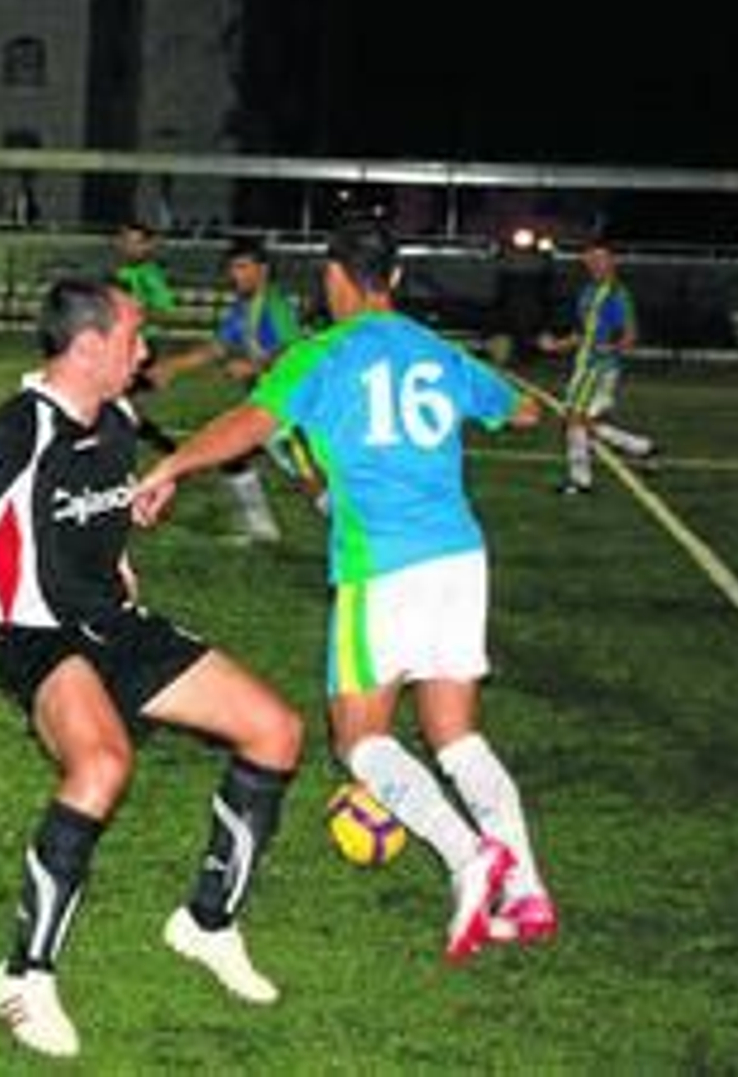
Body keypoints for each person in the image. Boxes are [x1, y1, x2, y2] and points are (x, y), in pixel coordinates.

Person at [0, 278, 302, 1059]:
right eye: (133, 339)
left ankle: (207, 925)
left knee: (275, 731)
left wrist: (132, 524)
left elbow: (99, 508)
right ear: (86, 348)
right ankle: (23, 975)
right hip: (35, 636)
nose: (145, 353)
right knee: (101, 766)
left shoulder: (116, 417)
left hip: (114, 624)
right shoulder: (14, 431)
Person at [135, 223, 556, 965]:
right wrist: (508, 392)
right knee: (457, 736)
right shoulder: (435, 350)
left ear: (337, 278)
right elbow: (520, 412)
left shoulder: (322, 355)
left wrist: (171, 467)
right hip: (459, 557)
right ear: (390, 276)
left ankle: (468, 856)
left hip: (382, 566)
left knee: (360, 740)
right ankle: (525, 888)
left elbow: (248, 422)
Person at [151, 236, 322, 541]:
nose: (235, 275)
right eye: (232, 268)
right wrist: (172, 366)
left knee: (312, 480)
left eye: (243, 267)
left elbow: (295, 352)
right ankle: (262, 530)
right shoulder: (244, 308)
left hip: (291, 408)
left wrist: (254, 367)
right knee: (233, 458)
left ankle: (358, 534)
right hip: (268, 406)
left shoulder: (274, 305)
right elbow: (216, 348)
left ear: (264, 270)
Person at [537, 236, 657, 494]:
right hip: (585, 365)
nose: (595, 264)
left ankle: (580, 480)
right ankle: (642, 447)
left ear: (612, 261)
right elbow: (582, 333)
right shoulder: (588, 292)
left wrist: (611, 349)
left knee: (574, 419)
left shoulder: (617, 294)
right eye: (590, 260)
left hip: (597, 366)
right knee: (583, 421)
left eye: (601, 259)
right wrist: (556, 345)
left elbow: (630, 336)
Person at [111, 221, 179, 455]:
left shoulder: (151, 274)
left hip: (139, 349)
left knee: (117, 404)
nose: (130, 246)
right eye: (126, 240)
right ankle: (166, 448)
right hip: (118, 347)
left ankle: (165, 450)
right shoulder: (122, 272)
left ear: (149, 245)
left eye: (137, 242)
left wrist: (138, 311)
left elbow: (167, 310)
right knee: (122, 406)